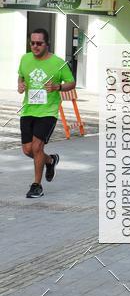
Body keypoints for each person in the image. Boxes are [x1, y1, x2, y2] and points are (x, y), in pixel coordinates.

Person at [18, 28, 75, 199]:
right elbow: (21, 76)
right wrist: (20, 85)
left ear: (46, 44)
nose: (35, 46)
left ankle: (37, 186)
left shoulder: (58, 63)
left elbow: (71, 83)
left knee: (37, 148)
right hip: (28, 109)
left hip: (48, 111)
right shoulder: (25, 58)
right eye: (32, 43)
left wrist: (57, 87)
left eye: (39, 43)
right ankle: (50, 161)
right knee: (28, 150)